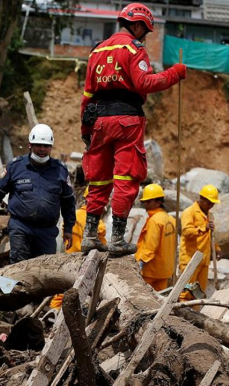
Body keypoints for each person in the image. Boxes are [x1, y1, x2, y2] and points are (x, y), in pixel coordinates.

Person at [79, 3, 187, 256]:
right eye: (145, 31)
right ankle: (117, 239)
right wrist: (174, 73)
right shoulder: (133, 49)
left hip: (98, 122)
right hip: (127, 120)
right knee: (127, 177)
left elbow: (87, 95)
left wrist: (86, 129)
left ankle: (90, 236)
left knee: (99, 179)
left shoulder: (97, 50)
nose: (145, 36)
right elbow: (144, 82)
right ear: (137, 25)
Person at [0, 124, 75, 264]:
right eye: (38, 145)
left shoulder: (60, 170)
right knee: (19, 267)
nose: (42, 149)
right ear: (30, 145)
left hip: (47, 231)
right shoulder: (16, 167)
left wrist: (69, 228)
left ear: (51, 147)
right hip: (21, 227)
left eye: (46, 146)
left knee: (45, 269)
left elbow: (68, 202)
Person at [179, 184, 222, 301]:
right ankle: (181, 315)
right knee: (186, 291)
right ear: (201, 199)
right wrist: (203, 228)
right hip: (190, 260)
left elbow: (210, 235)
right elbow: (186, 231)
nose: (211, 206)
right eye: (209, 203)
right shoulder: (189, 212)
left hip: (204, 261)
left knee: (199, 293)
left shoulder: (209, 215)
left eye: (212, 204)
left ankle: (195, 316)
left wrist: (216, 248)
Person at [135, 184, 176, 291]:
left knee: (144, 298)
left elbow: (151, 245)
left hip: (151, 270)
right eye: (144, 201)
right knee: (159, 300)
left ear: (158, 202)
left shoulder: (155, 220)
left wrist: (142, 261)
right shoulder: (170, 219)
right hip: (165, 270)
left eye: (148, 202)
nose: (145, 204)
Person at [66, 186, 107, 253]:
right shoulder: (98, 223)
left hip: (70, 256)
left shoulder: (72, 215)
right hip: (88, 256)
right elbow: (102, 247)